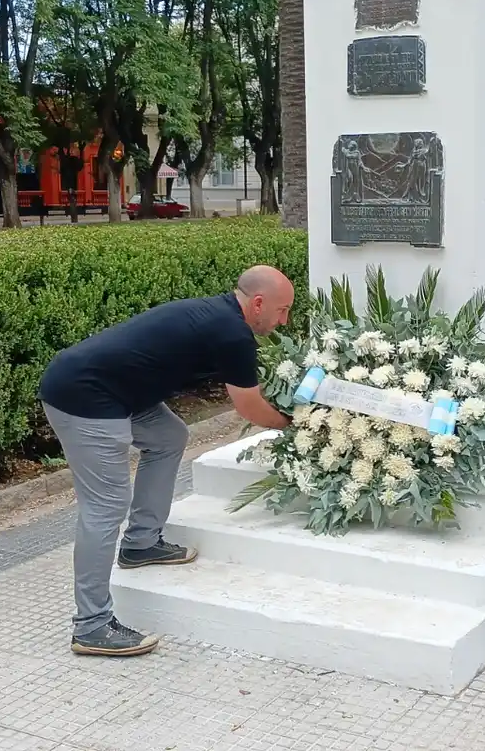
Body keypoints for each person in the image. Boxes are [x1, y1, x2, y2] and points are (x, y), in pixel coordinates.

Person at [38, 266, 294, 657]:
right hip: (84, 396)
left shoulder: (222, 316)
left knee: (169, 436)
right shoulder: (232, 332)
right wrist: (295, 424)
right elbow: (250, 407)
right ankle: (91, 626)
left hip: (121, 393)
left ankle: (141, 543)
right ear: (258, 304)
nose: (284, 320)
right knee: (105, 506)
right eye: (282, 310)